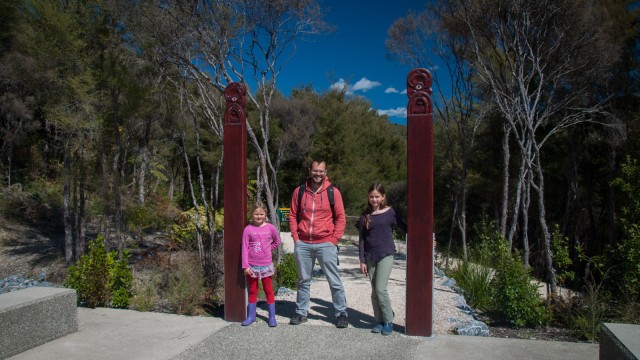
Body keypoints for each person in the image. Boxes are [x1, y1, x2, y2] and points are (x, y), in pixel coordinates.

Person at [288, 158, 348, 328]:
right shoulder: (299, 191)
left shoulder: (333, 192)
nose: (318, 174)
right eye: (315, 170)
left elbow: (341, 217)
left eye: (321, 171)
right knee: (303, 280)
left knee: (334, 280)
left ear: (325, 173)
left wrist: (334, 239)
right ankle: (301, 313)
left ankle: (341, 313)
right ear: (310, 171)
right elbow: (293, 215)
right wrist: (296, 238)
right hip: (304, 243)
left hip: (326, 244)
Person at [357, 182, 407, 336]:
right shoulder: (365, 215)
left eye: (377, 196)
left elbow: (406, 229)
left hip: (386, 254)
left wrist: (425, 239)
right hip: (370, 256)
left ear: (383, 197)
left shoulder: (391, 212)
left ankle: (388, 321)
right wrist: (362, 260)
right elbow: (362, 240)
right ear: (368, 197)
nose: (374, 199)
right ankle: (379, 320)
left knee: (380, 289)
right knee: (374, 292)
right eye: (371, 196)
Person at [241, 201, 281, 327]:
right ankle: (251, 316)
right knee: (253, 290)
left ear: (265, 214)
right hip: (252, 266)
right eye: (256, 214)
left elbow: (277, 241)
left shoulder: (270, 228)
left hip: (266, 265)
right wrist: (246, 266)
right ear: (252, 215)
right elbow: (245, 248)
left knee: (268, 290)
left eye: (261, 214)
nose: (259, 216)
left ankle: (272, 317)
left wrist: (269, 249)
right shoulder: (248, 229)